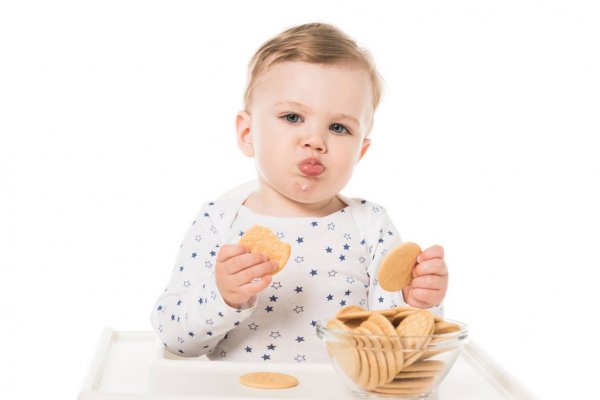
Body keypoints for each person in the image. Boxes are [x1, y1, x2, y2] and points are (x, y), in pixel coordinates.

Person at [150, 22, 448, 363]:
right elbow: (175, 340)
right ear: (248, 133)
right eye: (292, 117)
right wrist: (223, 296)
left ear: (359, 152)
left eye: (339, 128)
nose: (315, 141)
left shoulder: (370, 225)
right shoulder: (219, 221)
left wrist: (419, 303)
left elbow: (395, 354)